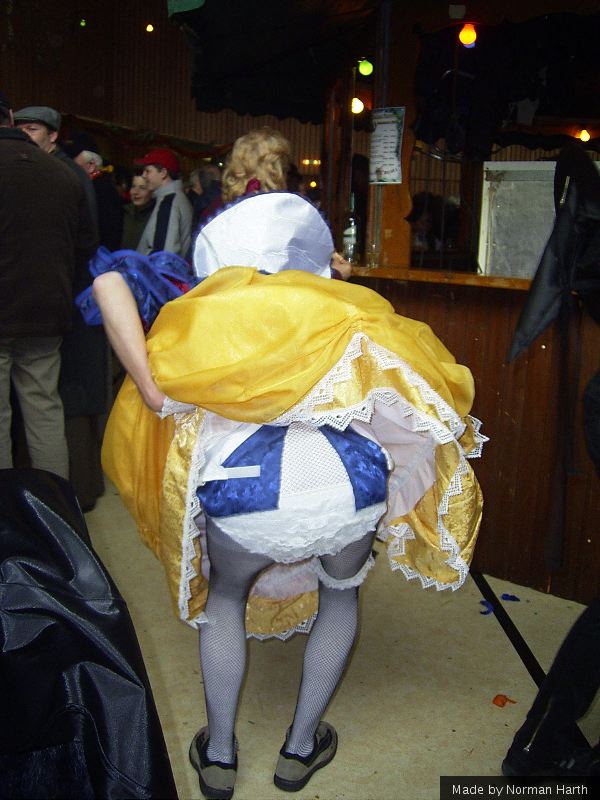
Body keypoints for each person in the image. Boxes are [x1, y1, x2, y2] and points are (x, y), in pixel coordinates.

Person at [94, 127, 486, 800]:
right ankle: (299, 749)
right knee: (341, 592)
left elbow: (107, 283)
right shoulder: (342, 311)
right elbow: (422, 401)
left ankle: (220, 756)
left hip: (244, 496)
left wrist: (155, 391)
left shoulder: (203, 316)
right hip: (348, 488)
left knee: (224, 600)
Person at [0, 90, 96, 481]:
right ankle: (54, 503)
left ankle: (7, 511)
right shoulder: (62, 173)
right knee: (44, 409)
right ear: (10, 117)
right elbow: (87, 244)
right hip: (47, 308)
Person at [134, 147, 192, 258]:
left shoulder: (169, 202)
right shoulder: (171, 199)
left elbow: (163, 255)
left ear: (163, 173)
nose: (143, 176)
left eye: (148, 171)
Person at [121, 168, 156, 250]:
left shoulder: (156, 215)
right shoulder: (123, 212)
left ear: (152, 192)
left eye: (142, 188)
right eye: (133, 186)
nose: (136, 192)